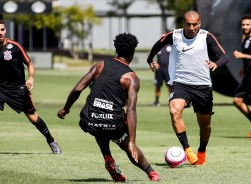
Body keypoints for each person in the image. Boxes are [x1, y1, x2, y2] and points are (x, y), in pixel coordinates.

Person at [57, 33, 160, 182]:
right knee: (125, 144)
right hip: (112, 124)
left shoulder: (100, 65)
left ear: (116, 49)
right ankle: (151, 173)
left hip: (89, 119)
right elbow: (130, 109)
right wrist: (131, 140)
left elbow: (78, 88)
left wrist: (66, 108)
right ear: (132, 53)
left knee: (96, 119)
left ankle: (107, 157)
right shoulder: (132, 78)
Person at [147, 11, 229, 165]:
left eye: (195, 24)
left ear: (199, 24)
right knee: (174, 110)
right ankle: (188, 150)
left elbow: (225, 57)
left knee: (204, 124)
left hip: (203, 86)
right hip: (181, 84)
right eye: (188, 24)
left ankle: (202, 151)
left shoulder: (206, 36)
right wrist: (149, 59)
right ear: (183, 23)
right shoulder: (175, 35)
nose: (191, 27)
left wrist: (216, 64)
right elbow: (158, 45)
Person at [0, 19, 61, 155]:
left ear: (5, 30)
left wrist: (30, 78)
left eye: (2, 29)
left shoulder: (15, 46)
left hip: (18, 89)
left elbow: (29, 64)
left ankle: (51, 141)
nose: (0, 33)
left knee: (34, 118)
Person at [233, 13, 251, 138]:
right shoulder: (245, 38)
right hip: (248, 76)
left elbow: (246, 55)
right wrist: (244, 68)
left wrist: (242, 56)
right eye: (243, 24)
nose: (245, 26)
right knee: (237, 101)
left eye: (247, 24)